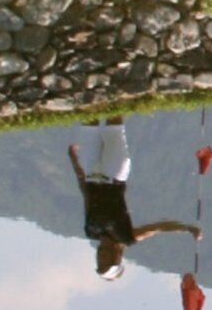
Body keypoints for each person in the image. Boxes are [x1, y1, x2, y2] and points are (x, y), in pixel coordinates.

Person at [66, 118, 199, 277]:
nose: (100, 259)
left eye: (99, 263)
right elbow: (158, 228)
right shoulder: (126, 236)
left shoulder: (91, 231)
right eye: (105, 262)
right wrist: (187, 228)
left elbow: (86, 194)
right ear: (116, 258)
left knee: (89, 122)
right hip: (114, 174)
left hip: (90, 173)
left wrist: (75, 163)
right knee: (114, 122)